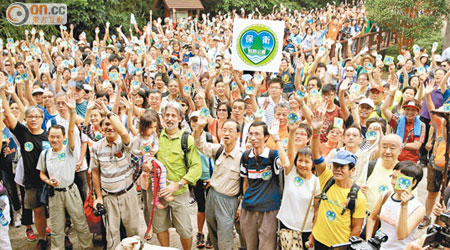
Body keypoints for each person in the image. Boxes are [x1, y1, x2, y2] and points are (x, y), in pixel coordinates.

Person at [37, 92, 93, 250]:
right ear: (48, 137)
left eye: (58, 137)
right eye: (52, 136)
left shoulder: (68, 149)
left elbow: (70, 132)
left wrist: (72, 111)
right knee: (56, 229)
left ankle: (87, 247)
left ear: (63, 138)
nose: (55, 139)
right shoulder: (45, 153)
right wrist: (48, 181)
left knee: (80, 223)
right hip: (54, 194)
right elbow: (42, 172)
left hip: (71, 192)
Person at [1, 85, 50, 250]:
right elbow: (8, 114)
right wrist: (4, 93)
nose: (34, 119)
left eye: (37, 116)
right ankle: (42, 238)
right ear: (26, 119)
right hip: (32, 181)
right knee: (38, 211)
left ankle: (62, 237)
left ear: (42, 118)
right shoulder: (23, 133)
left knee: (57, 211)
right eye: (30, 116)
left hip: (50, 181)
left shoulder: (50, 135)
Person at [310, 110, 366, 249]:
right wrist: (315, 132)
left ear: (352, 170)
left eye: (342, 166)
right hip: (318, 241)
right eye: (336, 165)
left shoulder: (358, 197)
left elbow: (357, 228)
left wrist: (346, 247)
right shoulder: (327, 179)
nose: (337, 169)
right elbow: (317, 156)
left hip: (338, 246)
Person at [91, 101, 140, 250]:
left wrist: (107, 111)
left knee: (133, 232)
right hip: (108, 197)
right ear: (101, 128)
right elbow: (95, 172)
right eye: (105, 124)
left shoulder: (125, 143)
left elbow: (124, 132)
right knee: (112, 235)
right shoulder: (96, 147)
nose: (110, 127)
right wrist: (98, 197)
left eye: (113, 124)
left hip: (127, 194)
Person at [153, 101, 202, 250]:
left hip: (179, 193)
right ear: (162, 118)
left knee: (185, 230)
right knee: (160, 226)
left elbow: (196, 168)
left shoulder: (186, 139)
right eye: (166, 115)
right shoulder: (155, 137)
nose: (169, 118)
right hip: (158, 193)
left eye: (173, 115)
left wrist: (178, 184)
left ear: (180, 118)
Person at [194, 116, 243, 250]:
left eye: (230, 131)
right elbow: (200, 145)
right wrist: (199, 127)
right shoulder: (219, 150)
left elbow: (246, 184)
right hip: (212, 196)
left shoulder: (242, 156)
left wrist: (241, 204)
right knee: (213, 234)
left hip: (228, 201)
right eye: (224, 130)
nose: (226, 133)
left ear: (238, 135)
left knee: (225, 239)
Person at [239, 121, 290, 250]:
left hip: (269, 209)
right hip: (249, 208)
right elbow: (245, 183)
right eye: (251, 134)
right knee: (250, 246)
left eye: (257, 134)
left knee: (267, 247)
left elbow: (285, 163)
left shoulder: (272, 155)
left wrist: (277, 138)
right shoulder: (246, 156)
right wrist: (243, 203)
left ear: (266, 137)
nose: (253, 137)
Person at [276, 120, 320, 249]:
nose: (302, 164)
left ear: (313, 164)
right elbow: (290, 153)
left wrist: (314, 233)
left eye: (307, 162)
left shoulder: (316, 182)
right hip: (286, 226)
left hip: (305, 230)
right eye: (300, 160)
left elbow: (317, 210)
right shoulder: (291, 173)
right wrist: (292, 132)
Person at [366, 161, 425, 250]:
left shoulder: (418, 208)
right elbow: (372, 218)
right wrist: (369, 242)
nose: (393, 182)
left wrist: (404, 207)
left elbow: (402, 235)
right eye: (392, 177)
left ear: (413, 182)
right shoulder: (386, 195)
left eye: (398, 179)